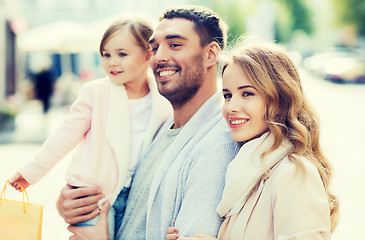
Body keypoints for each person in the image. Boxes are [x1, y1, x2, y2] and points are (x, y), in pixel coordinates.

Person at [57, 5, 239, 240]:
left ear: (211, 54)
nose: (159, 57)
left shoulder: (217, 144)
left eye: (174, 45)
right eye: (154, 47)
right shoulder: (162, 126)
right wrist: (72, 202)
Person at [9, 16, 171, 240]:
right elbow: (66, 134)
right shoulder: (96, 92)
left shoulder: (163, 99)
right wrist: (30, 172)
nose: (112, 62)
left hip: (135, 196)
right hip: (91, 195)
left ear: (148, 54)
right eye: (106, 54)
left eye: (122, 54)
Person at [166, 36, 340, 240]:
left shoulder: (293, 174)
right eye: (228, 95)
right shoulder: (246, 169)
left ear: (280, 99)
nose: (231, 107)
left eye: (247, 94)